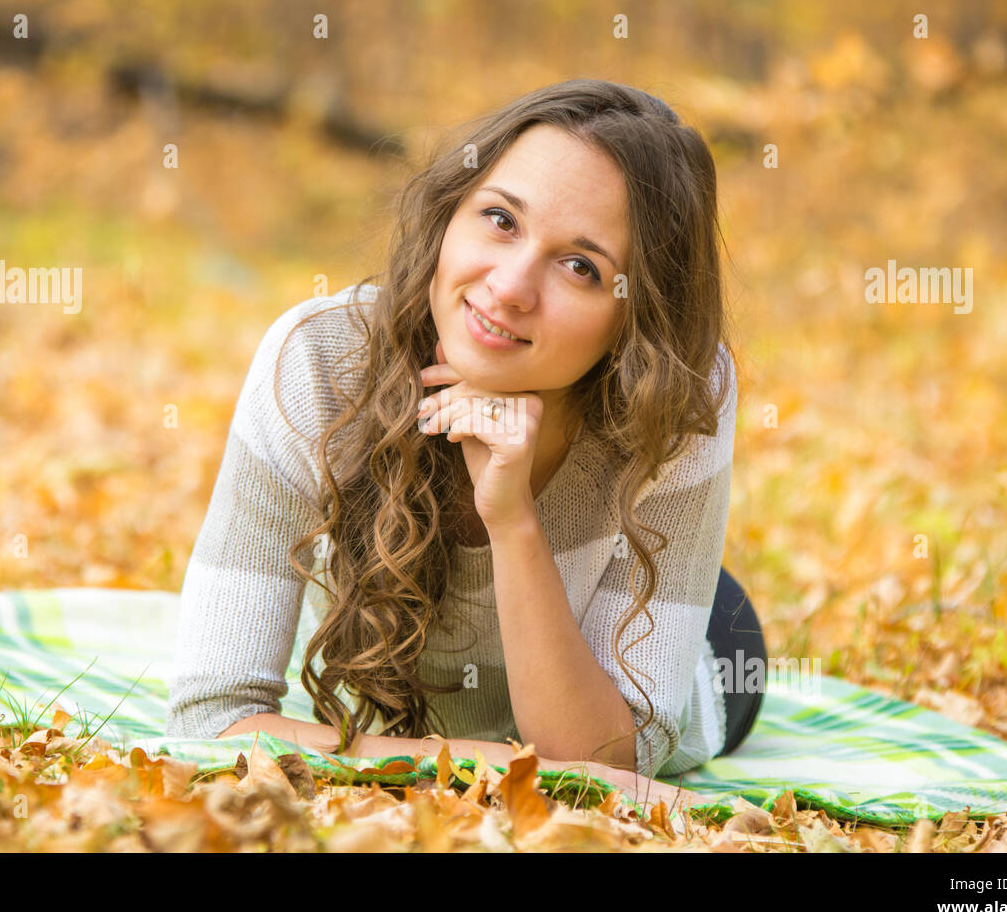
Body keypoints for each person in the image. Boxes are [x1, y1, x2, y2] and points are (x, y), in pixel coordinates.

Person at [166, 79, 766, 803]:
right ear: (451, 211)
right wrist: (475, 757)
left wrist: (512, 519)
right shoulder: (320, 361)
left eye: (582, 267)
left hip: (701, 638)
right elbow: (212, 721)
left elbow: (602, 762)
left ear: (637, 317)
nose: (511, 286)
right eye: (500, 218)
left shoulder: (678, 395)